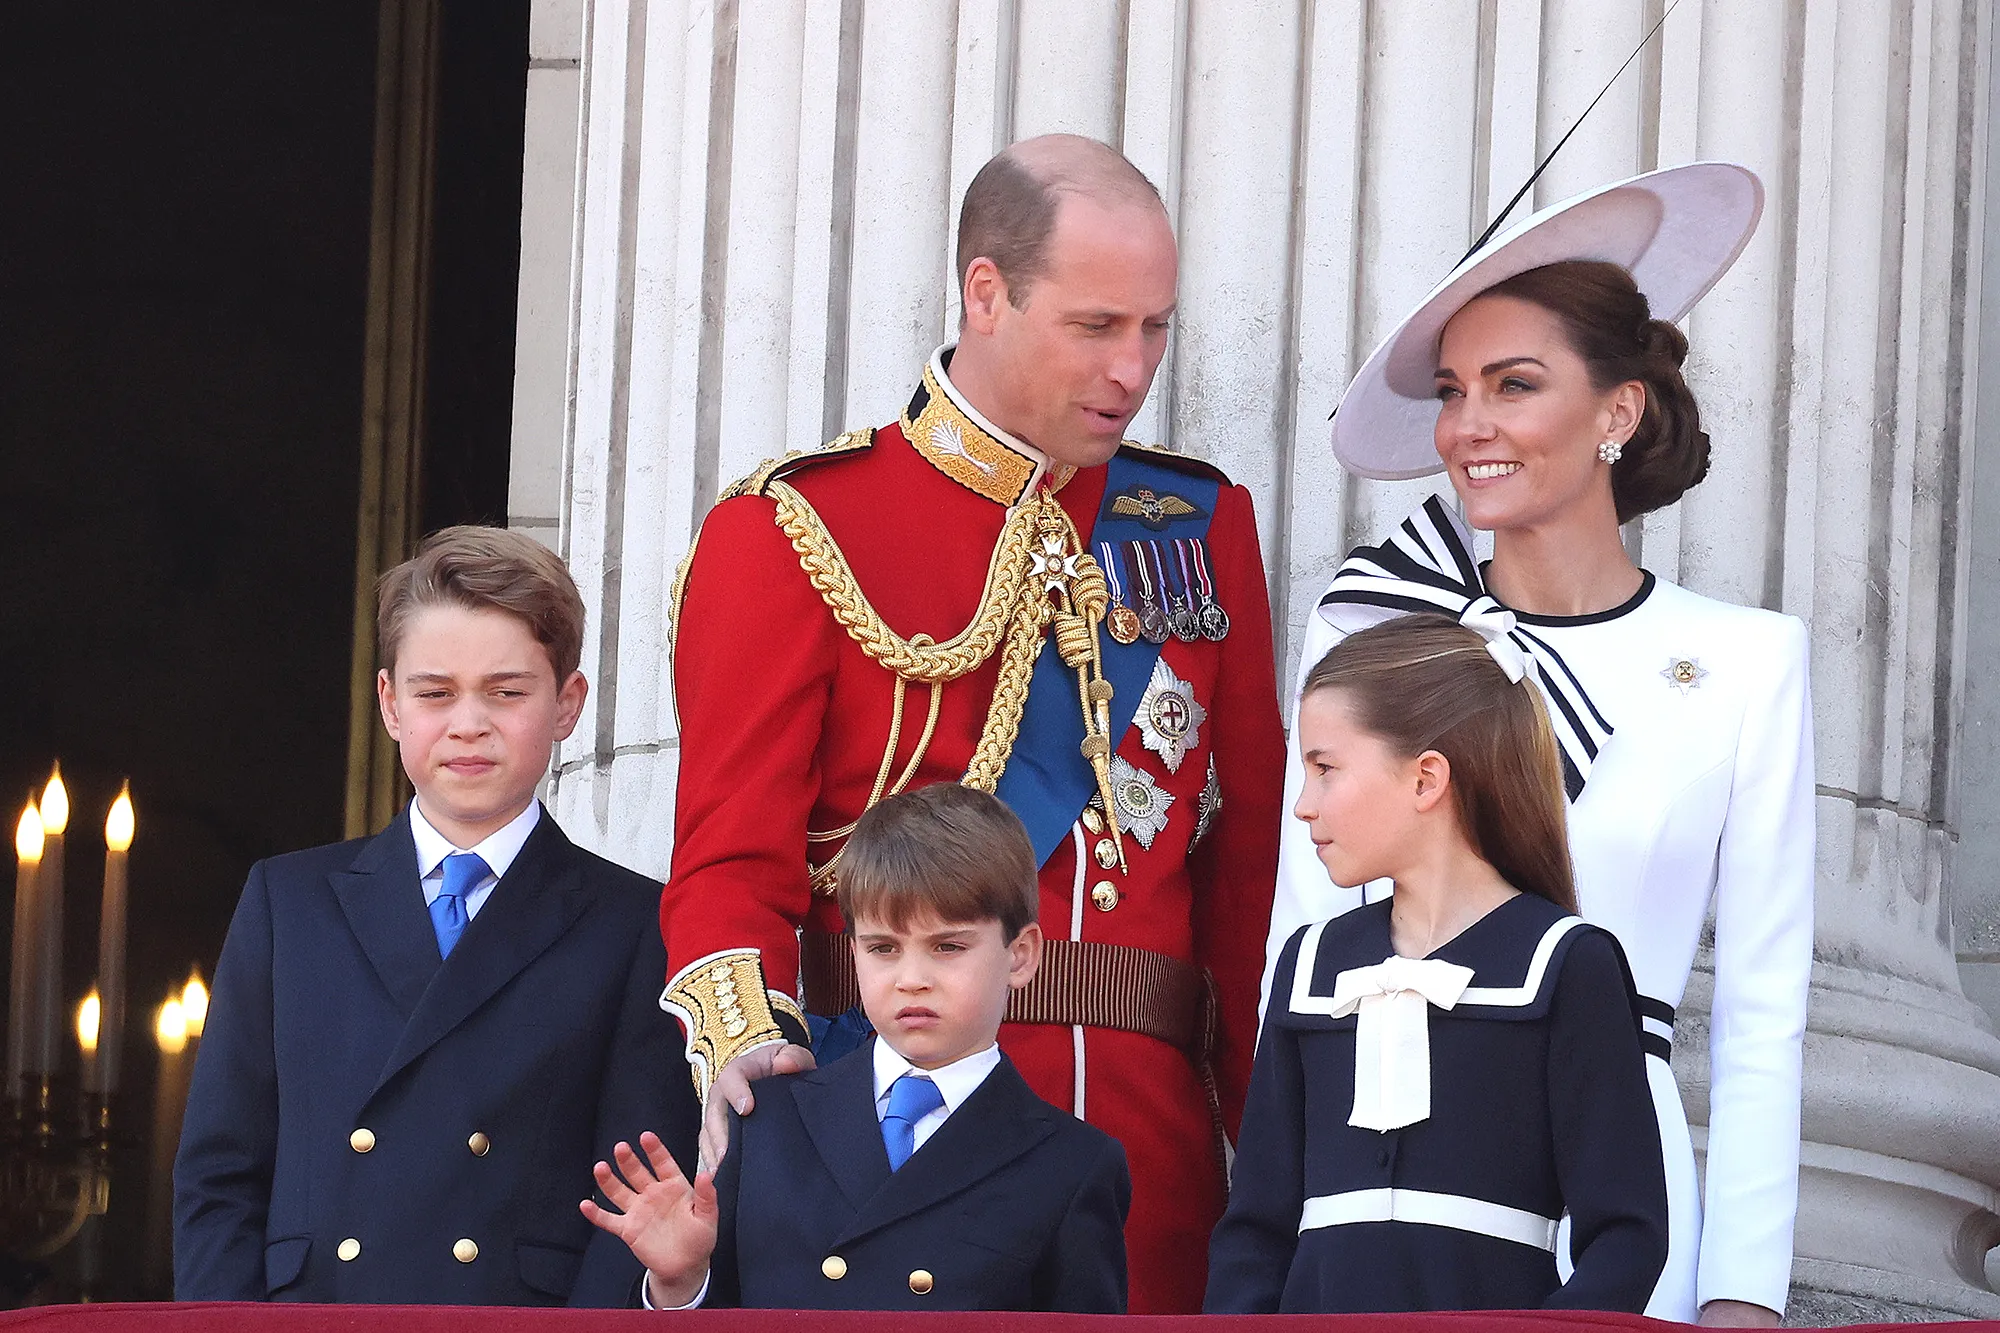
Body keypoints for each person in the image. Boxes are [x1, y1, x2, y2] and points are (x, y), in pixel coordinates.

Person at [660, 134, 1284, 1312]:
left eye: (1154, 328)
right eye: (1096, 326)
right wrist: (751, 1069)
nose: (1131, 367)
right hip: (891, 1147)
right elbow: (727, 862)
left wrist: (1272, 1164)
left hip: (1151, 1166)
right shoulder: (794, 528)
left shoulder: (1194, 523)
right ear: (984, 293)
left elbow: (1244, 877)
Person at [1266, 163, 1812, 1326]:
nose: (1468, 426)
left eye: (1513, 385)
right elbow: (1303, 933)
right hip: (1381, 1186)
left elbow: (1765, 1008)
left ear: (1614, 411)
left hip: (1619, 1193)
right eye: (1455, 390)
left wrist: (1743, 1291)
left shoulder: (1746, 660)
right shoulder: (1378, 632)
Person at [174, 526, 699, 1305]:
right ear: (389, 702)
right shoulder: (288, 903)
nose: (468, 722)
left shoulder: (635, 923)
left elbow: (634, 1200)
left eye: (506, 690)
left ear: (568, 703)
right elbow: (221, 1178)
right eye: (435, 691)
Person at [1208, 615, 1668, 1314]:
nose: (1301, 805)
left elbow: (1627, 1237)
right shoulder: (1312, 965)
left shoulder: (1565, 964)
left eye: (1325, 768)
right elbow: (1256, 1229)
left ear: (1427, 779)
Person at [585, 784, 1130, 1311]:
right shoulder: (768, 1119)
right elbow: (724, 1308)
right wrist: (680, 1286)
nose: (912, 979)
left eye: (948, 947)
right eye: (883, 949)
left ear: (1020, 954)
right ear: (853, 953)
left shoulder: (1072, 1165)